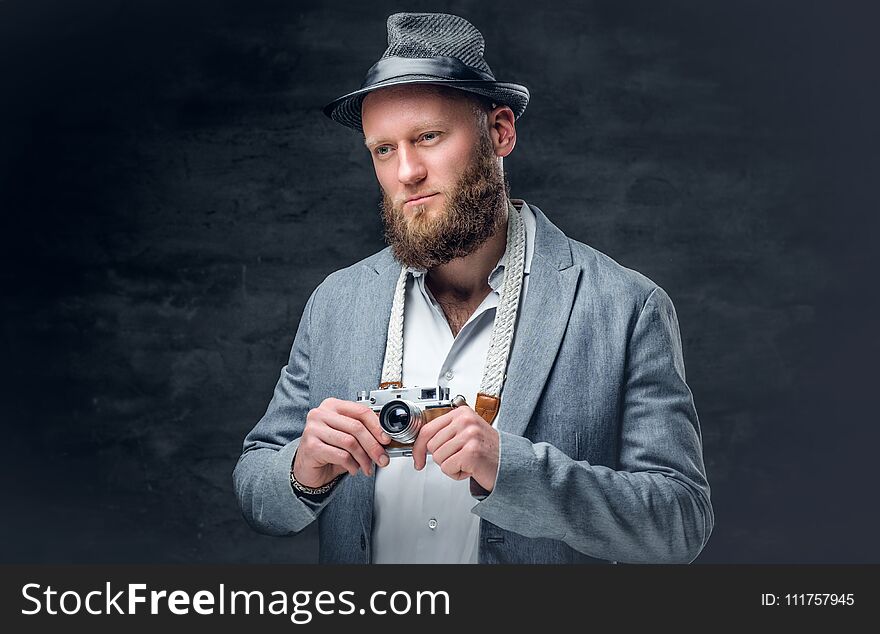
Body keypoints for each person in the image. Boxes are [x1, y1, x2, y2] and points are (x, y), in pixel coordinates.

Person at [233, 12, 713, 564]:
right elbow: (256, 490)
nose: (405, 172)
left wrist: (510, 469)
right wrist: (302, 470)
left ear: (501, 132)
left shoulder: (625, 307)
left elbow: (679, 523)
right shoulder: (337, 303)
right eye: (382, 150)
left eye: (428, 137)